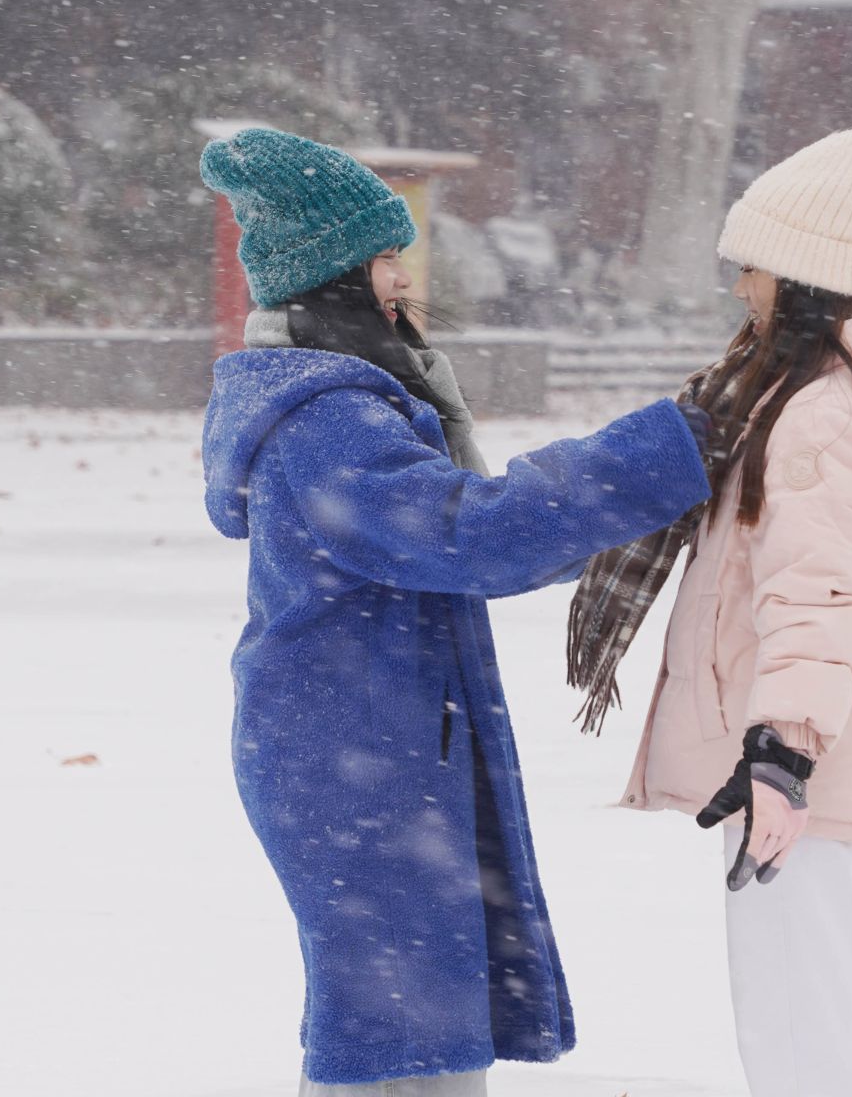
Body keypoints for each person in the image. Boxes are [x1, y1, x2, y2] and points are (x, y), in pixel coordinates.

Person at [197, 128, 713, 1095]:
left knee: (418, 1030)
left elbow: (474, 539)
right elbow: (468, 535)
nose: (404, 276)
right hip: (351, 762)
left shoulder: (346, 403)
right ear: (334, 274)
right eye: (385, 257)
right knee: (391, 1038)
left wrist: (620, 496)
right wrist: (656, 455)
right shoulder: (327, 422)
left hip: (366, 748)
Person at [567, 127, 852, 1097]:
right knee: (808, 1016)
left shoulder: (816, 414)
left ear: (803, 277)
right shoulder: (811, 394)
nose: (740, 288)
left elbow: (817, 592)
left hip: (796, 775)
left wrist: (782, 754)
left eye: (753, 267)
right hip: (802, 765)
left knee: (802, 1029)